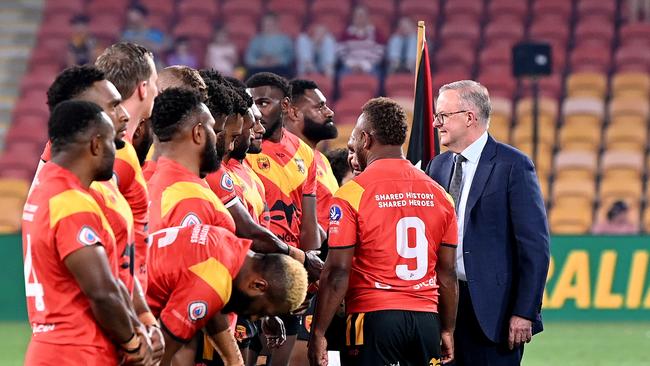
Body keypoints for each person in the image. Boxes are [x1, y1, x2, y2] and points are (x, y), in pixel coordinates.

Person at [309, 97, 459, 366]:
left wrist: (319, 332)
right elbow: (447, 273)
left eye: (354, 141)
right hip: (426, 319)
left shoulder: (351, 194)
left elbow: (337, 272)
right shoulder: (441, 196)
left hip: (373, 317)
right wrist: (447, 329)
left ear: (366, 139)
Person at [425, 80, 550, 365]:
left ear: (469, 117)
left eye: (443, 116)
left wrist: (525, 312)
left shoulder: (513, 165)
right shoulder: (438, 166)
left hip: (494, 313)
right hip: (442, 306)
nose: (435, 123)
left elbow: (534, 247)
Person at [22, 100, 152, 365]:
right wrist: (133, 343)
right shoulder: (71, 202)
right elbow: (102, 290)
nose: (116, 153)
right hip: (78, 351)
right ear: (95, 144)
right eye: (112, 144)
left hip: (52, 345)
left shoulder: (45, 189)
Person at [146, 224, 309, 366]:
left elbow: (213, 307)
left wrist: (235, 361)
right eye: (262, 311)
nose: (254, 319)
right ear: (258, 285)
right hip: (126, 306)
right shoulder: (212, 283)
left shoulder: (227, 242)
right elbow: (159, 356)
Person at [246, 72, 321, 365]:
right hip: (254, 271)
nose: (256, 111)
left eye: (263, 102)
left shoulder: (304, 152)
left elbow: (309, 222)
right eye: (250, 103)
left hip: (291, 270)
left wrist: (306, 275)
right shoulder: (246, 150)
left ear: (286, 105)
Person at [96, 42, 158, 291]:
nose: (157, 91)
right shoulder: (111, 154)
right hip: (113, 305)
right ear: (143, 88)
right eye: (155, 83)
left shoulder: (79, 142)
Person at [147, 88, 235, 233]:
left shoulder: (151, 184)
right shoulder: (192, 199)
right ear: (198, 133)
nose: (216, 136)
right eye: (213, 129)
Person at [286, 79, 339, 236]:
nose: (330, 112)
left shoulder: (321, 159)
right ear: (294, 113)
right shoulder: (283, 161)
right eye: (320, 107)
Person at [337, 5, 386, 78]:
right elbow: (341, 52)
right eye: (357, 15)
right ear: (353, 18)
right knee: (340, 75)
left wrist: (364, 65)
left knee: (378, 75)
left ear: (367, 17)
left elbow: (380, 53)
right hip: (350, 65)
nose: (359, 18)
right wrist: (352, 64)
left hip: (370, 65)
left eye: (362, 15)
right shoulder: (346, 34)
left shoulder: (376, 33)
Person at [245, 13, 294, 78]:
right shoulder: (256, 40)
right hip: (260, 68)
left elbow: (289, 56)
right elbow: (249, 57)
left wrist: (278, 61)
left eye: (270, 24)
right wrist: (259, 62)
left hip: (279, 67)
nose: (267, 26)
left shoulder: (285, 39)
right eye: (265, 24)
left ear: (277, 24)